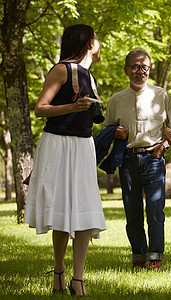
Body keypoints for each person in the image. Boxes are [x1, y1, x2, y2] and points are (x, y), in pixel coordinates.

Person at [24, 24, 106, 296]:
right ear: (87, 42)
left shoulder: (90, 77)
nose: (99, 42)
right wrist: (73, 106)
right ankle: (59, 271)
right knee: (60, 211)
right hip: (58, 145)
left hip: (83, 146)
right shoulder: (62, 69)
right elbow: (40, 109)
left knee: (84, 212)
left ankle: (77, 279)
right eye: (96, 38)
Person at [104, 49, 171, 271]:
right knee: (132, 211)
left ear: (149, 70)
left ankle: (155, 257)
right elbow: (107, 130)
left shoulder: (162, 95)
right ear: (127, 70)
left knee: (155, 211)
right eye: (136, 67)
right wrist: (115, 133)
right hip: (127, 160)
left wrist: (164, 145)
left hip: (154, 159)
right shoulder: (116, 100)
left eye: (144, 67)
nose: (140, 71)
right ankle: (138, 256)